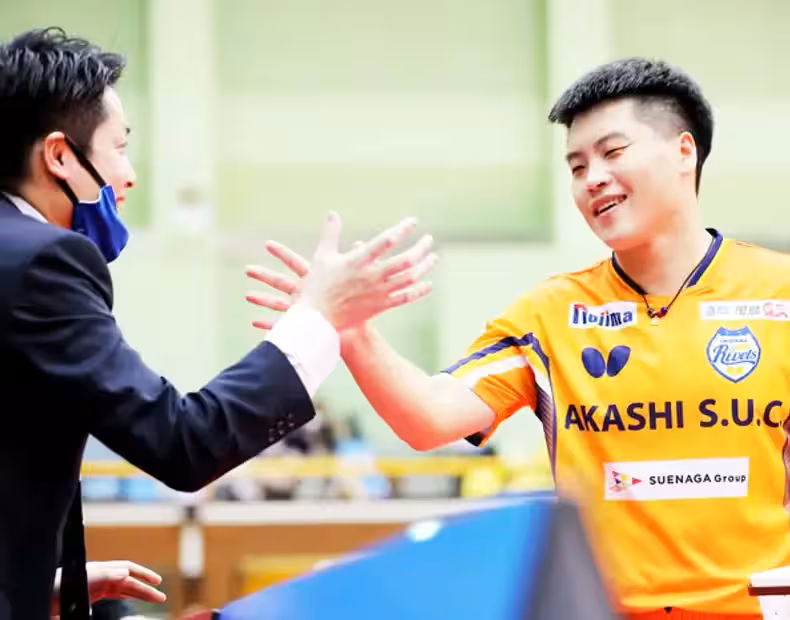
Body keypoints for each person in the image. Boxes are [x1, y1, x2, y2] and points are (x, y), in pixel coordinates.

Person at [248, 57, 790, 618]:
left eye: (612, 152)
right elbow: (428, 418)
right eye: (577, 166)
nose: (592, 178)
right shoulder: (550, 315)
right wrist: (352, 331)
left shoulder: (780, 294)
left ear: (684, 152)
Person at [0, 27, 436, 620]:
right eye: (119, 147)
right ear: (58, 156)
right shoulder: (44, 261)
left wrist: (40, 588)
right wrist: (318, 316)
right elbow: (183, 442)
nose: (129, 175)